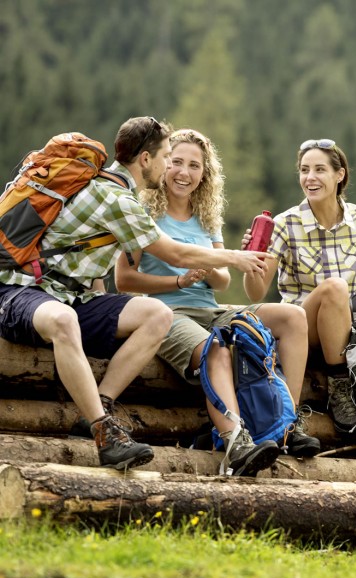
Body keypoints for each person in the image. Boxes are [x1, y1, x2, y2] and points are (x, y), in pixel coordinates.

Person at [0, 116, 271, 471]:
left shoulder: (118, 193)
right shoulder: (113, 196)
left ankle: (99, 405)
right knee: (64, 320)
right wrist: (235, 257)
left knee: (156, 313)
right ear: (145, 159)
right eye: (166, 157)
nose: (168, 165)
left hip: (71, 295)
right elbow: (175, 253)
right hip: (22, 291)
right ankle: (103, 433)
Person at [114, 128, 319, 476]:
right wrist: (178, 279)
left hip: (210, 309)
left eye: (194, 165)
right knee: (216, 348)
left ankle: (287, 424)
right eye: (176, 162)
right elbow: (123, 280)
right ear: (163, 164)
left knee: (293, 317)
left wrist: (210, 266)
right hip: (166, 313)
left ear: (204, 174)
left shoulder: (205, 216)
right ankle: (235, 441)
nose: (184, 172)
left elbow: (222, 282)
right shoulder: (143, 210)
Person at [243, 138, 356, 464]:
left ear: (340, 175)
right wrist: (252, 259)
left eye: (319, 170)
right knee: (336, 288)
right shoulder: (285, 224)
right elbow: (254, 293)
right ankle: (340, 386)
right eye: (304, 170)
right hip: (304, 325)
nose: (310, 177)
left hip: (352, 325)